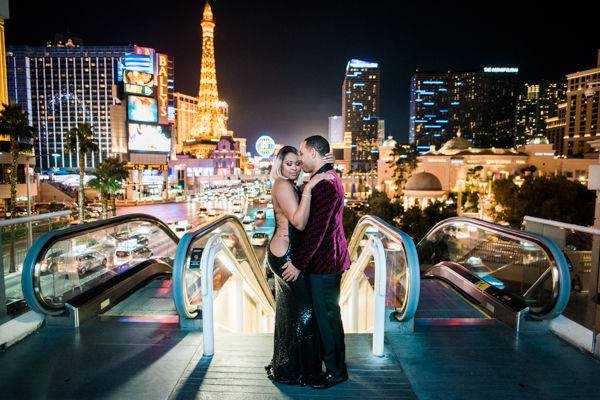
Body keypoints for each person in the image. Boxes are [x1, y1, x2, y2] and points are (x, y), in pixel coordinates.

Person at [281, 135, 351, 389]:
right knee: (328, 317)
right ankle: (333, 366)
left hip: (325, 264)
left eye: (302, 152)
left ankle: (335, 371)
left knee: (328, 319)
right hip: (328, 260)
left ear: (312, 152)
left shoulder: (324, 184)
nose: (299, 158)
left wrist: (298, 263)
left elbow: (316, 231)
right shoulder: (327, 176)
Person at [265, 145, 335, 386]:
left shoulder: (290, 184)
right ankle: (302, 370)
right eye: (289, 163)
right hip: (286, 255)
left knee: (290, 310)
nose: (294, 167)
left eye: (297, 163)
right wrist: (311, 187)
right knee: (306, 311)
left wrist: (325, 167)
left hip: (287, 251)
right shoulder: (282, 185)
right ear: (280, 165)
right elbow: (298, 222)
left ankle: (287, 364)